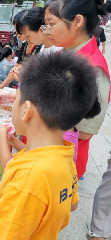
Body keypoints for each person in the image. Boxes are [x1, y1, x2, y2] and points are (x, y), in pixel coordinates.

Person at [0, 51, 100, 240]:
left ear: (26, 111)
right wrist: (6, 190)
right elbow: (70, 204)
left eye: (15, 100)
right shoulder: (65, 155)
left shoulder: (28, 178)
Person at [44, 0, 111, 182]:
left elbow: (85, 130)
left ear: (77, 21)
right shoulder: (64, 53)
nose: (47, 31)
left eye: (51, 24)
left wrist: (36, 120)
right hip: (44, 154)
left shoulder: (94, 69)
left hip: (60, 163)